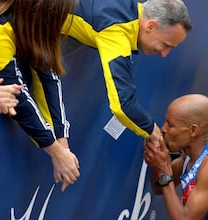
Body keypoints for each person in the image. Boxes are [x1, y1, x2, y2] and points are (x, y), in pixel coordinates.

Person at [0, 0, 80, 192]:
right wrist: (56, 152)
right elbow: (17, 99)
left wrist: (62, 143)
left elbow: (47, 76)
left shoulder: (23, 21)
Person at [61, 0, 192, 146]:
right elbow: (123, 105)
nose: (164, 54)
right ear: (151, 26)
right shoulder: (118, 30)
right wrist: (154, 132)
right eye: (165, 45)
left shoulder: (127, 10)